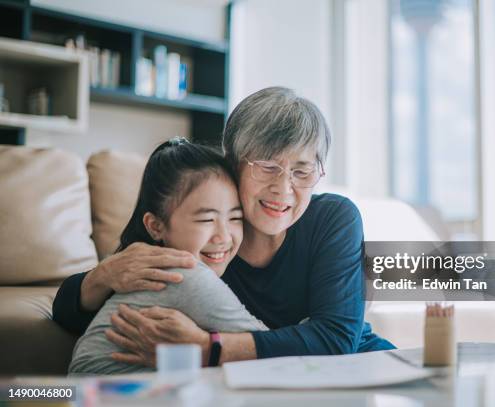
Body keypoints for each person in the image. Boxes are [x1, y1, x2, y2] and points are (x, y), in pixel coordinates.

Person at [53, 86, 395, 368]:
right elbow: (73, 316)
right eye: (267, 166)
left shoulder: (333, 217)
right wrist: (104, 274)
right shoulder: (198, 232)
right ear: (232, 161)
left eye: (302, 171)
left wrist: (208, 348)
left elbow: (337, 340)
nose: (284, 188)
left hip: (353, 364)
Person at [69, 139, 267, 375]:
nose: (224, 236)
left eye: (235, 218)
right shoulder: (185, 274)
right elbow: (270, 348)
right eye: (206, 219)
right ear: (155, 226)